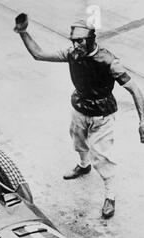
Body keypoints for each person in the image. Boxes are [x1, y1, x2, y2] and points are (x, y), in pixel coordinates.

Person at [14, 14, 144, 219]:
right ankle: (84, 166)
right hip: (79, 109)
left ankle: (110, 195)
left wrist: (142, 120)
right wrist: (23, 32)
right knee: (78, 141)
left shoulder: (109, 61)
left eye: (80, 41)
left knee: (102, 156)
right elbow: (38, 54)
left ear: (92, 39)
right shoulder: (72, 53)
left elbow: (135, 89)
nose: (76, 45)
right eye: (73, 41)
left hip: (102, 116)